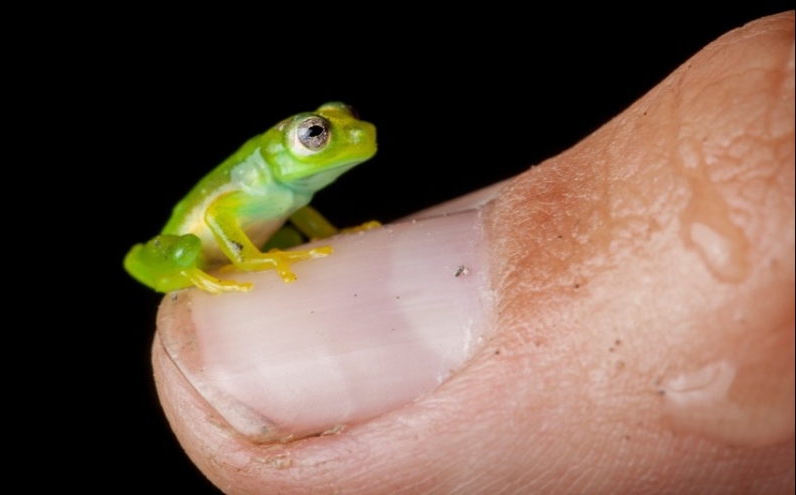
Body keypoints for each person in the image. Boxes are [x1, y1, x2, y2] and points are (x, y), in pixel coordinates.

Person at [152, 12, 794, 494]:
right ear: (283, 147)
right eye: (318, 134)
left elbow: (292, 215)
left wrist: (326, 239)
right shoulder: (256, 182)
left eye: (336, 120)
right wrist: (244, 265)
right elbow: (229, 217)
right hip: (188, 248)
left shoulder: (289, 188)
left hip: (262, 231)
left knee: (300, 232)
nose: (342, 133)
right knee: (199, 246)